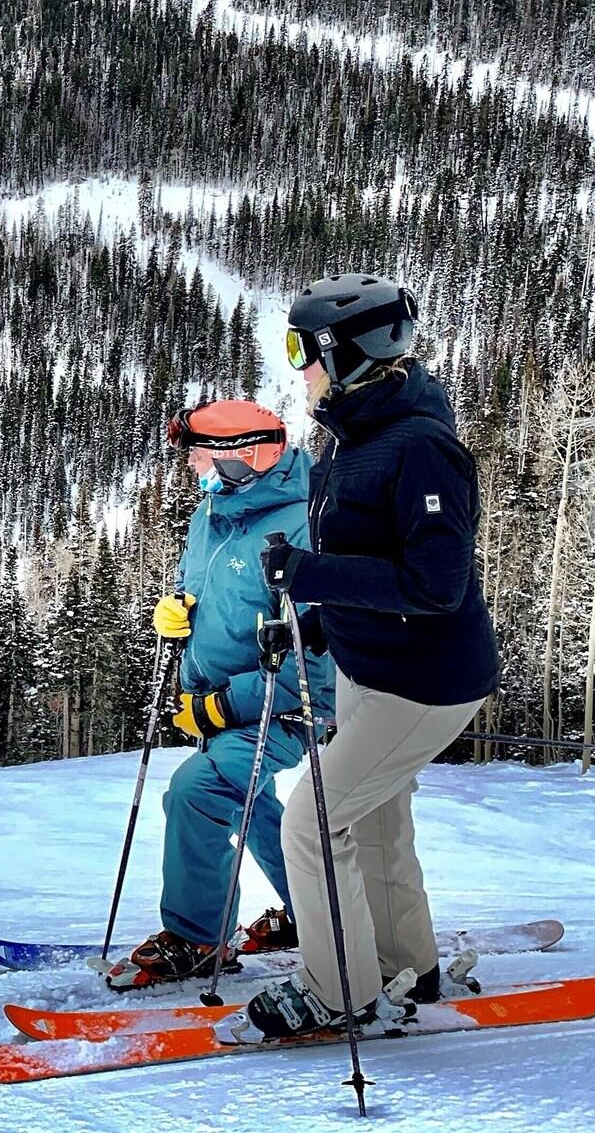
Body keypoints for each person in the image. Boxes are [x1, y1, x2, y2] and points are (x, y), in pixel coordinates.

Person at [239, 273, 501, 1041]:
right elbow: (369, 553)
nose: (298, 367)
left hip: (424, 681)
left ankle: (337, 988)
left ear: (351, 353)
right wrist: (316, 621)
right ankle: (402, 961)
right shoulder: (354, 432)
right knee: (376, 818)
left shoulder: (422, 449)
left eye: (304, 349)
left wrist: (312, 576)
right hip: (370, 664)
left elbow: (434, 585)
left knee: (312, 820)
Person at [110, 398, 335, 990]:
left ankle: (198, 939)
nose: (192, 469)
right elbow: (202, 590)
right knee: (249, 801)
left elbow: (317, 657)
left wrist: (220, 705)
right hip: (220, 699)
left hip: (286, 708)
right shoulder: (215, 511)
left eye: (201, 457)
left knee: (199, 792)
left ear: (244, 457)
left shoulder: (303, 524)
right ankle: (308, 912)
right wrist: (179, 615)